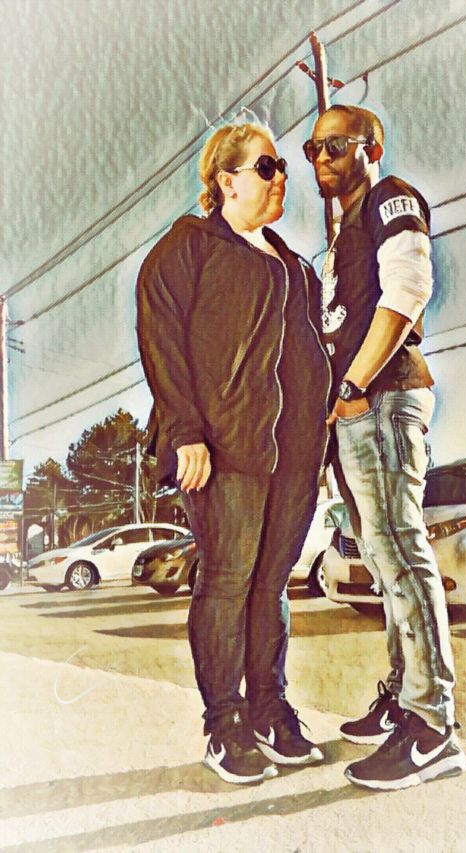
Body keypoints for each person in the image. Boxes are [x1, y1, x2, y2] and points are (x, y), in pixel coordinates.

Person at [136, 122, 331, 785]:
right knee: (227, 579)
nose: (281, 178)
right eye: (267, 167)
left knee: (271, 586)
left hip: (294, 456)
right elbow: (161, 337)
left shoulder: (295, 266)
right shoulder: (189, 246)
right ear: (227, 180)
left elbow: (313, 358)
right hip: (222, 449)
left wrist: (321, 450)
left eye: (282, 168)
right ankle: (226, 724)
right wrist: (185, 429)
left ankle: (270, 710)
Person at [304, 104, 466, 790]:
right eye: (312, 148)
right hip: (358, 408)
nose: (321, 158)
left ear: (370, 148)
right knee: (382, 557)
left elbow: (409, 288)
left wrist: (353, 382)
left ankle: (432, 728)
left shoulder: (391, 195)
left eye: (335, 146)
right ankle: (405, 698)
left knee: (400, 549)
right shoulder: (344, 230)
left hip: (384, 395)